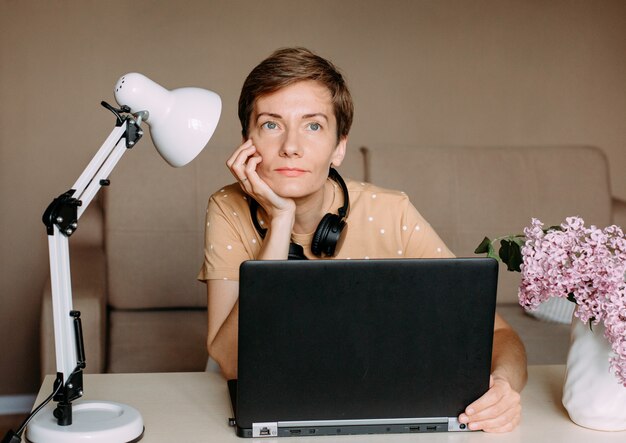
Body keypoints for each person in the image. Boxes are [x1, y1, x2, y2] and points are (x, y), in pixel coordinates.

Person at [198, 47, 527, 433]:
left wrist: (503, 387)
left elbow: (501, 335)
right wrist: (280, 220)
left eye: (313, 125)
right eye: (271, 124)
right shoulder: (227, 207)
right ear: (246, 141)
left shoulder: (392, 212)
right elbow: (232, 363)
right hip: (271, 409)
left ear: (340, 147)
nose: (291, 145)